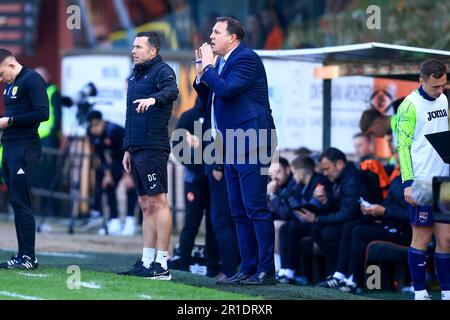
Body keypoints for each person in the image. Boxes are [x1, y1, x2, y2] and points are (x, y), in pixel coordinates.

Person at [194, 17, 277, 285]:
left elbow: (227, 89)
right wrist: (201, 76)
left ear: (233, 38)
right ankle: (248, 268)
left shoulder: (246, 58)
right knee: (238, 210)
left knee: (255, 207)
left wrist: (208, 69)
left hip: (252, 140)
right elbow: (211, 99)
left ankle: (267, 271)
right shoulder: (221, 62)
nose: (211, 36)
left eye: (217, 32)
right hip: (229, 143)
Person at [117, 32, 179, 279]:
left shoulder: (162, 71)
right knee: (145, 204)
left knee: (159, 201)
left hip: (154, 146)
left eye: (139, 47)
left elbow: (172, 91)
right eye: (133, 46)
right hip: (137, 147)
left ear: (153, 51)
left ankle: (162, 263)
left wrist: (153, 99)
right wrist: (127, 147)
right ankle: (146, 261)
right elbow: (130, 116)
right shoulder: (135, 76)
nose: (134, 50)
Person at [396, 59, 450, 300]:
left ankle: (447, 292)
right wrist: (408, 182)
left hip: (444, 181)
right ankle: (420, 291)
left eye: (443, 85)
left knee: (446, 239)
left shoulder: (444, 99)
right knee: (422, 237)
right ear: (421, 81)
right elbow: (403, 146)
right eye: (435, 87)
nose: (440, 90)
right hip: (422, 182)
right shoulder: (409, 106)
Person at [0, 49, 49, 270]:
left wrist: (10, 121)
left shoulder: (32, 79)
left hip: (25, 148)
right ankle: (22, 256)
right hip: (9, 148)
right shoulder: (9, 85)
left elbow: (43, 113)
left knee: (22, 202)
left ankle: (29, 257)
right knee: (15, 202)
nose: (1, 80)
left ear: (11, 64)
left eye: (1, 74)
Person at [172, 99, 221, 277]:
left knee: (213, 224)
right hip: (194, 179)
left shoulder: (217, 116)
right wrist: (195, 166)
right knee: (191, 223)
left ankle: (213, 268)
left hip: (214, 179)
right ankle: (183, 265)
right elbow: (178, 146)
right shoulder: (187, 116)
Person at [298, 148, 365, 277]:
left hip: (359, 221)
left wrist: (317, 218)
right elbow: (339, 205)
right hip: (349, 220)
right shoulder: (340, 178)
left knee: (328, 232)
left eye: (327, 169)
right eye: (322, 170)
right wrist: (325, 200)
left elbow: (348, 213)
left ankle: (340, 272)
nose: (324, 173)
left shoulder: (351, 179)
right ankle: (335, 271)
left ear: (339, 164)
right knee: (317, 230)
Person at [277, 156, 331, 285]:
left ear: (301, 173)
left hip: (320, 222)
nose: (293, 176)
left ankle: (291, 271)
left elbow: (309, 210)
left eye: (294, 172)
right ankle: (284, 269)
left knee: (293, 228)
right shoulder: (303, 185)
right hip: (308, 222)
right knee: (285, 227)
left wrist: (290, 197)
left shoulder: (319, 182)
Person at [87, 110, 136, 236]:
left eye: (96, 125)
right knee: (108, 184)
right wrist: (107, 175)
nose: (94, 129)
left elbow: (128, 151)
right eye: (91, 126)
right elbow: (102, 156)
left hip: (129, 157)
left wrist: (128, 175)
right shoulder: (92, 134)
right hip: (113, 161)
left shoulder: (115, 131)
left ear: (101, 123)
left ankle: (130, 220)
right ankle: (114, 220)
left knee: (129, 186)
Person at [33, 66, 62, 231]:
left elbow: (56, 116)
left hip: (48, 140)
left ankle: (51, 210)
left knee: (49, 174)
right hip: (37, 139)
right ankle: (41, 208)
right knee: (38, 175)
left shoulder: (52, 91)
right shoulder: (35, 92)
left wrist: (52, 135)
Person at [267, 157, 299, 274]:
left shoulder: (293, 184)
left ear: (288, 169)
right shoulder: (275, 185)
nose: (274, 176)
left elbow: (285, 214)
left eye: (278, 171)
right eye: (271, 173)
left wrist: (272, 195)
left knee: (276, 225)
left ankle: (278, 267)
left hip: (296, 222)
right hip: (286, 223)